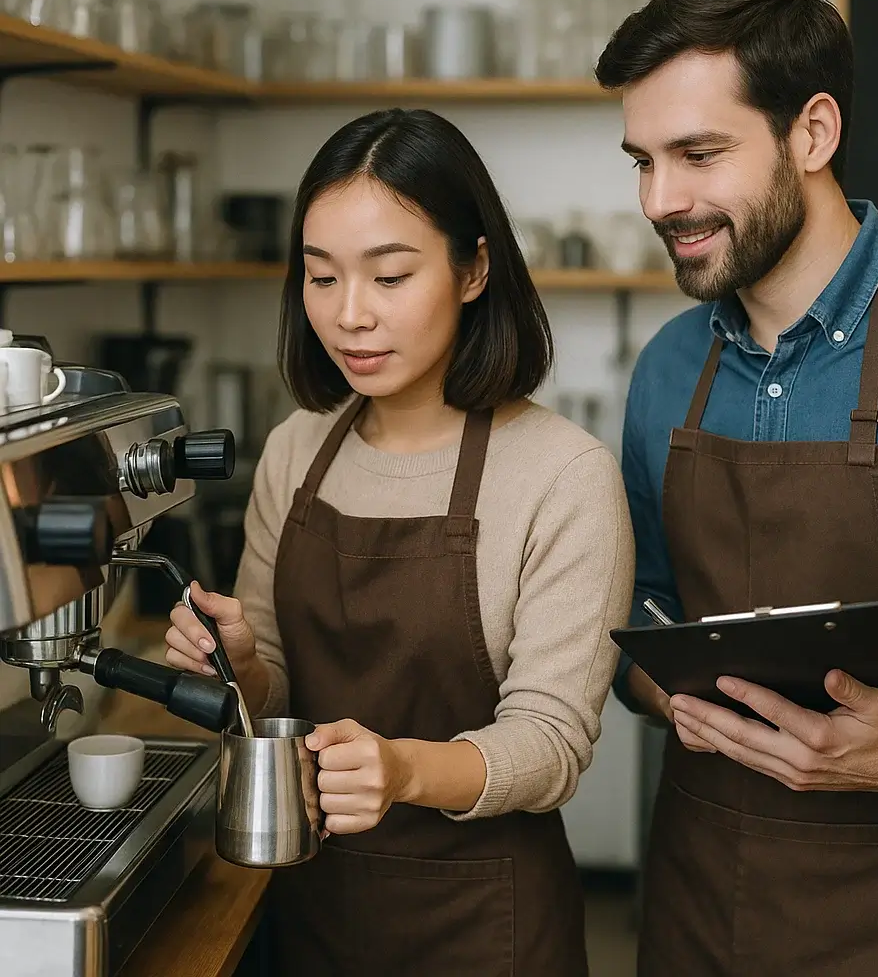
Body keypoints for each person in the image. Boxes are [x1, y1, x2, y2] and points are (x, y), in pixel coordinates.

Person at [596, 0, 878, 977]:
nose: (661, 201)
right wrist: (666, 692)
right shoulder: (666, 368)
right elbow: (638, 615)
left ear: (813, 133)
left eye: (699, 154)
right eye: (643, 162)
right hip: (698, 899)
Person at [163, 107, 633, 976]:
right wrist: (242, 660)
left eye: (389, 276)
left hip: (484, 925)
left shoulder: (564, 474)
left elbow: (551, 745)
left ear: (473, 269)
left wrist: (402, 770)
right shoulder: (297, 450)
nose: (349, 315)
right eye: (321, 276)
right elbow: (273, 688)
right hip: (308, 901)